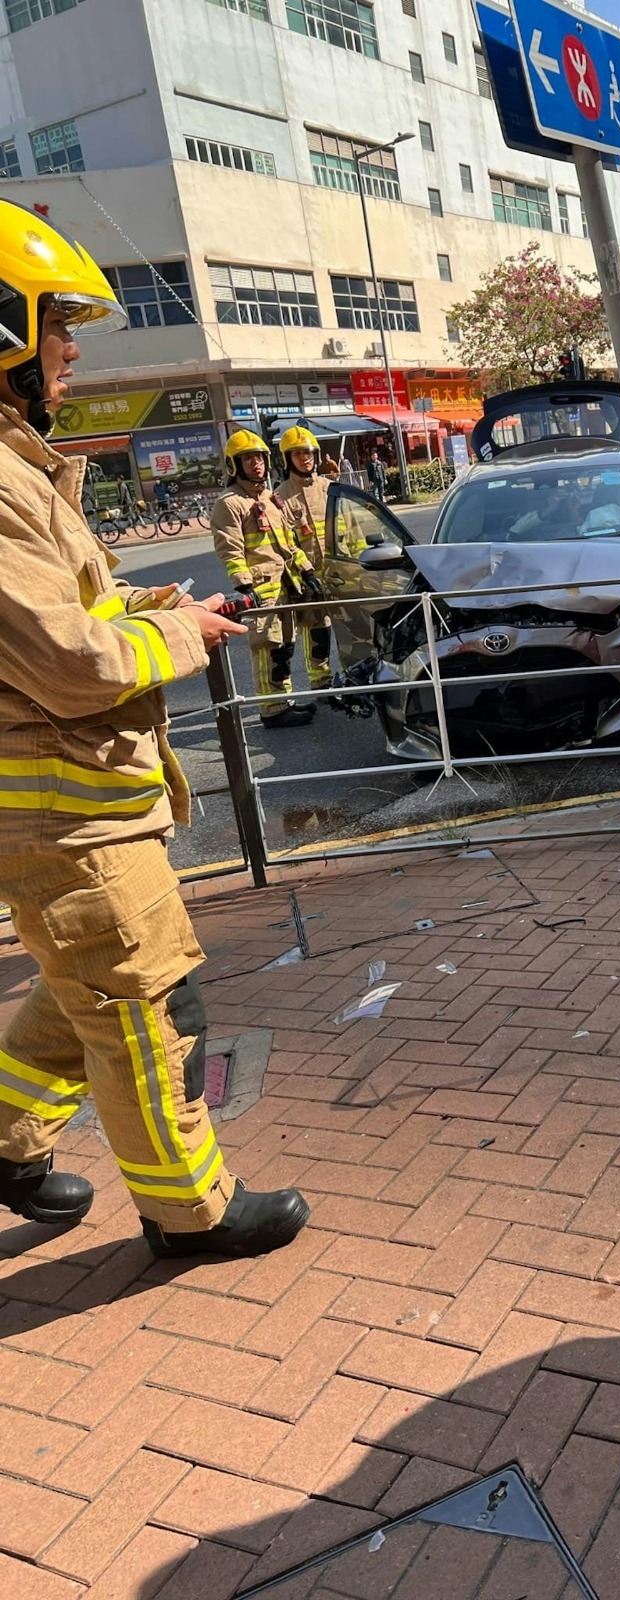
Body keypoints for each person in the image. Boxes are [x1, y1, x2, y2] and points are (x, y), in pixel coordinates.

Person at [0, 198, 309, 1257]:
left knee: (80, 985)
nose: (72, 349)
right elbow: (72, 662)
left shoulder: (20, 465)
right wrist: (175, 642)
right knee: (146, 1007)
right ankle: (190, 1213)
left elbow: (72, 619)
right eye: (56, 326)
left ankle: (2, 1136)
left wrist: (167, 612)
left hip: (72, 811)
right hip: (66, 814)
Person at [209, 431, 322, 728]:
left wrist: (307, 570)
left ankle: (284, 702)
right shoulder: (230, 503)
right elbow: (229, 549)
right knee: (266, 648)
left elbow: (290, 543)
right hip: (261, 591)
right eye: (247, 458)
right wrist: (244, 586)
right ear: (235, 465)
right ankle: (271, 710)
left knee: (285, 648)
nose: (256, 464)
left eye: (259, 457)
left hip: (286, 587)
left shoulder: (271, 499)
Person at [273, 425, 333, 694]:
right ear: (287, 459)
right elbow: (284, 543)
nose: (304, 458)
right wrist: (304, 574)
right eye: (297, 454)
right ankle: (320, 681)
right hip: (304, 578)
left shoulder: (329, 488)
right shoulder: (280, 496)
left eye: (308, 452)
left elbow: (350, 529)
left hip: (337, 572)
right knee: (316, 627)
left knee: (350, 626)